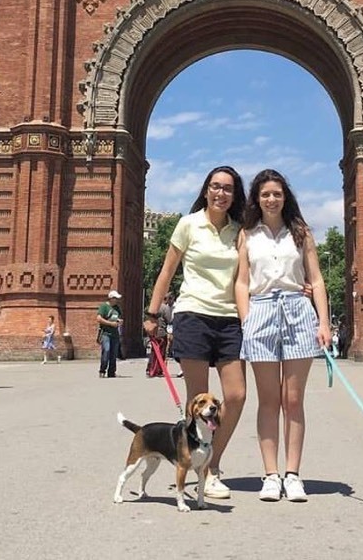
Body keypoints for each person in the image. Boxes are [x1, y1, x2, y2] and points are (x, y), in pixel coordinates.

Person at [142, 165, 247, 500]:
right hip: (193, 315)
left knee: (236, 395)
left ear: (235, 194)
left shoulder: (240, 231)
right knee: (199, 398)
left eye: (228, 188)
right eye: (215, 187)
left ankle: (213, 462)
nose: (221, 193)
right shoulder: (188, 224)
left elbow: (248, 277)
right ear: (205, 190)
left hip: (230, 318)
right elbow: (167, 270)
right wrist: (152, 313)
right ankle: (201, 469)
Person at [235, 169, 332, 502]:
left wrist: (324, 323)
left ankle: (292, 474)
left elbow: (316, 280)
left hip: (297, 311)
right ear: (256, 199)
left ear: (285, 196)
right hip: (260, 311)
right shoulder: (247, 235)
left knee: (293, 401)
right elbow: (242, 282)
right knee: (268, 401)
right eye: (265, 194)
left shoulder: (301, 233)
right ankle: (270, 475)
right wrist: (247, 319)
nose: (271, 199)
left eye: (277, 193)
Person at [146, 292, 174, 378]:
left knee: (153, 352)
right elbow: (169, 319)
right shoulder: (165, 308)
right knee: (161, 353)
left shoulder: (153, 307)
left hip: (152, 332)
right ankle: (157, 370)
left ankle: (150, 369)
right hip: (161, 332)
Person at [97, 290, 123, 378]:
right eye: (115, 298)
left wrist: (119, 321)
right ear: (111, 298)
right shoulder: (104, 307)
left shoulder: (117, 308)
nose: (117, 300)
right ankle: (102, 370)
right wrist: (110, 323)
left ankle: (111, 372)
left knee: (114, 353)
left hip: (115, 334)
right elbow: (99, 319)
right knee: (106, 350)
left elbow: (118, 318)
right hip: (106, 333)